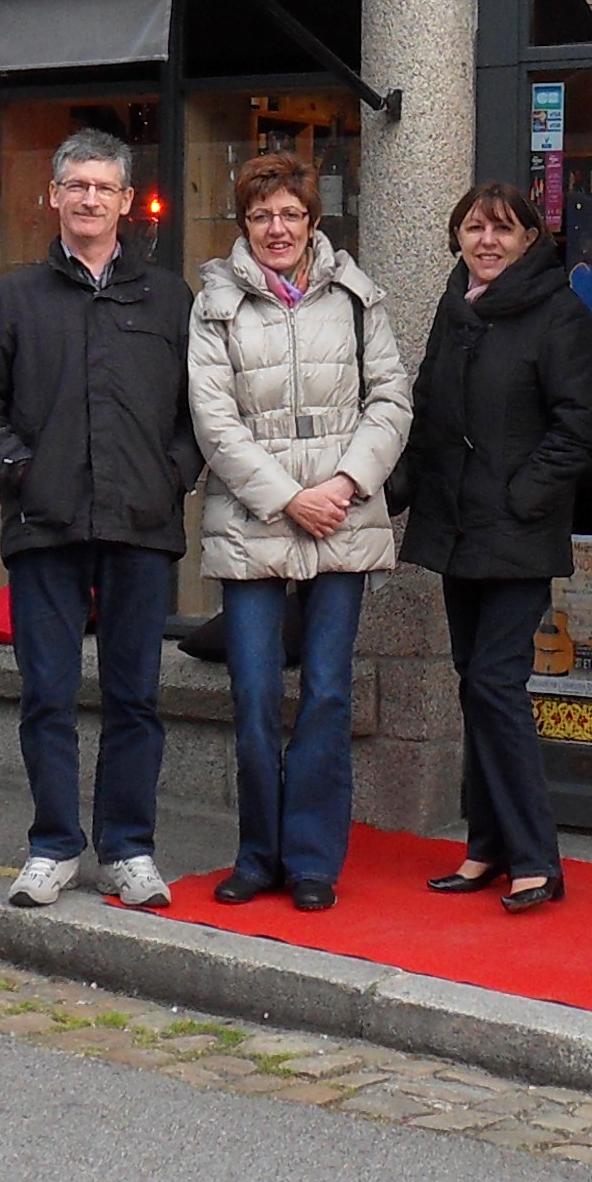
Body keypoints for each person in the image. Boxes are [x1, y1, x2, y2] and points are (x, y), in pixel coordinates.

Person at [0, 127, 200, 912]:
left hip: (140, 526)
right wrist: (19, 470)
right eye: (77, 185)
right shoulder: (15, 297)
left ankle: (127, 849)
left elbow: (200, 410)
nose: (90, 198)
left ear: (127, 202)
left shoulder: (169, 300)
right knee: (48, 695)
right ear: (54, 196)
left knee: (135, 699)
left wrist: (173, 477)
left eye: (104, 187)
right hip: (46, 526)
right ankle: (54, 846)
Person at [184, 151, 409, 912]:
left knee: (327, 694)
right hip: (254, 522)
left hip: (342, 517)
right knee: (252, 694)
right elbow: (213, 420)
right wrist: (288, 499)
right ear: (243, 224)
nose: (276, 228)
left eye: (290, 214)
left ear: (313, 221)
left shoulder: (356, 298)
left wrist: (342, 486)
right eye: (261, 216)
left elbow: (391, 401)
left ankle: (312, 859)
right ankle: (258, 854)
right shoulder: (214, 304)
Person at [398, 179, 592, 914]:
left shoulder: (559, 312)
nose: (487, 241)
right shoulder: (455, 308)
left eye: (503, 230)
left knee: (495, 684)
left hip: (517, 533)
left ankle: (535, 858)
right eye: (474, 229)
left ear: (528, 240)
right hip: (456, 529)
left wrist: (522, 497)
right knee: (475, 685)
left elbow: (581, 429)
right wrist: (392, 490)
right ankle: (487, 847)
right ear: (457, 238)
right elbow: (427, 407)